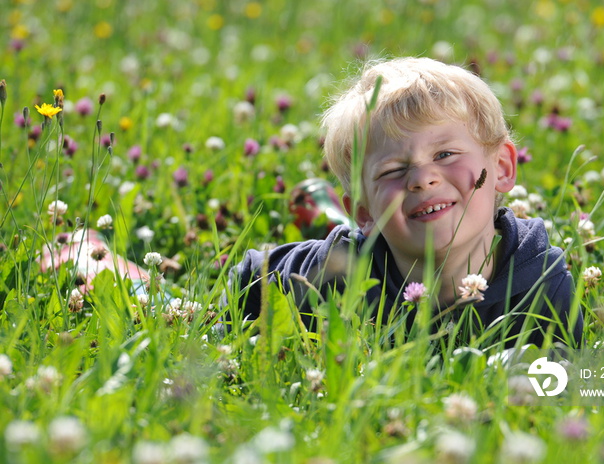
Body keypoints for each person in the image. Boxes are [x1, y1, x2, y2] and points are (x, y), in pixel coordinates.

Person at [224, 57, 583, 348]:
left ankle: (325, 209)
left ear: (502, 167)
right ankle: (327, 215)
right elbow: (250, 276)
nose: (422, 179)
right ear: (364, 211)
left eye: (445, 154)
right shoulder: (337, 275)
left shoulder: (543, 286)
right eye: (393, 170)